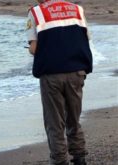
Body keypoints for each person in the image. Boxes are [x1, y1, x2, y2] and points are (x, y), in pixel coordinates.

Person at [26, 0, 93, 165]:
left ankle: (59, 160)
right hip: (77, 71)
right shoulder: (77, 9)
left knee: (54, 122)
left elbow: (34, 48)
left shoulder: (36, 12)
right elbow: (86, 38)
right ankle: (79, 157)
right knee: (73, 118)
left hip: (52, 75)